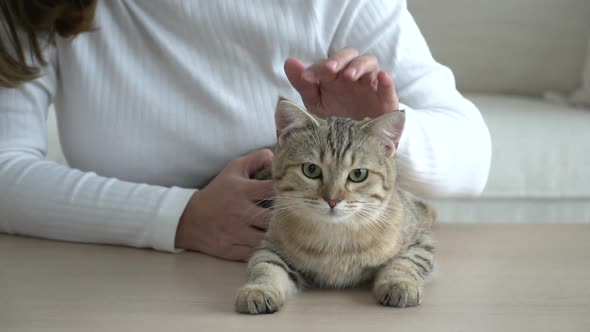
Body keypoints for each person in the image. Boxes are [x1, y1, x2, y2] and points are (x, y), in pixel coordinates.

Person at [0, 0, 491, 261]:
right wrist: (180, 218)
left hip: (321, 290)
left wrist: (377, 130)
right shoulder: (37, 8)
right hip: (121, 281)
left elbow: (472, 159)